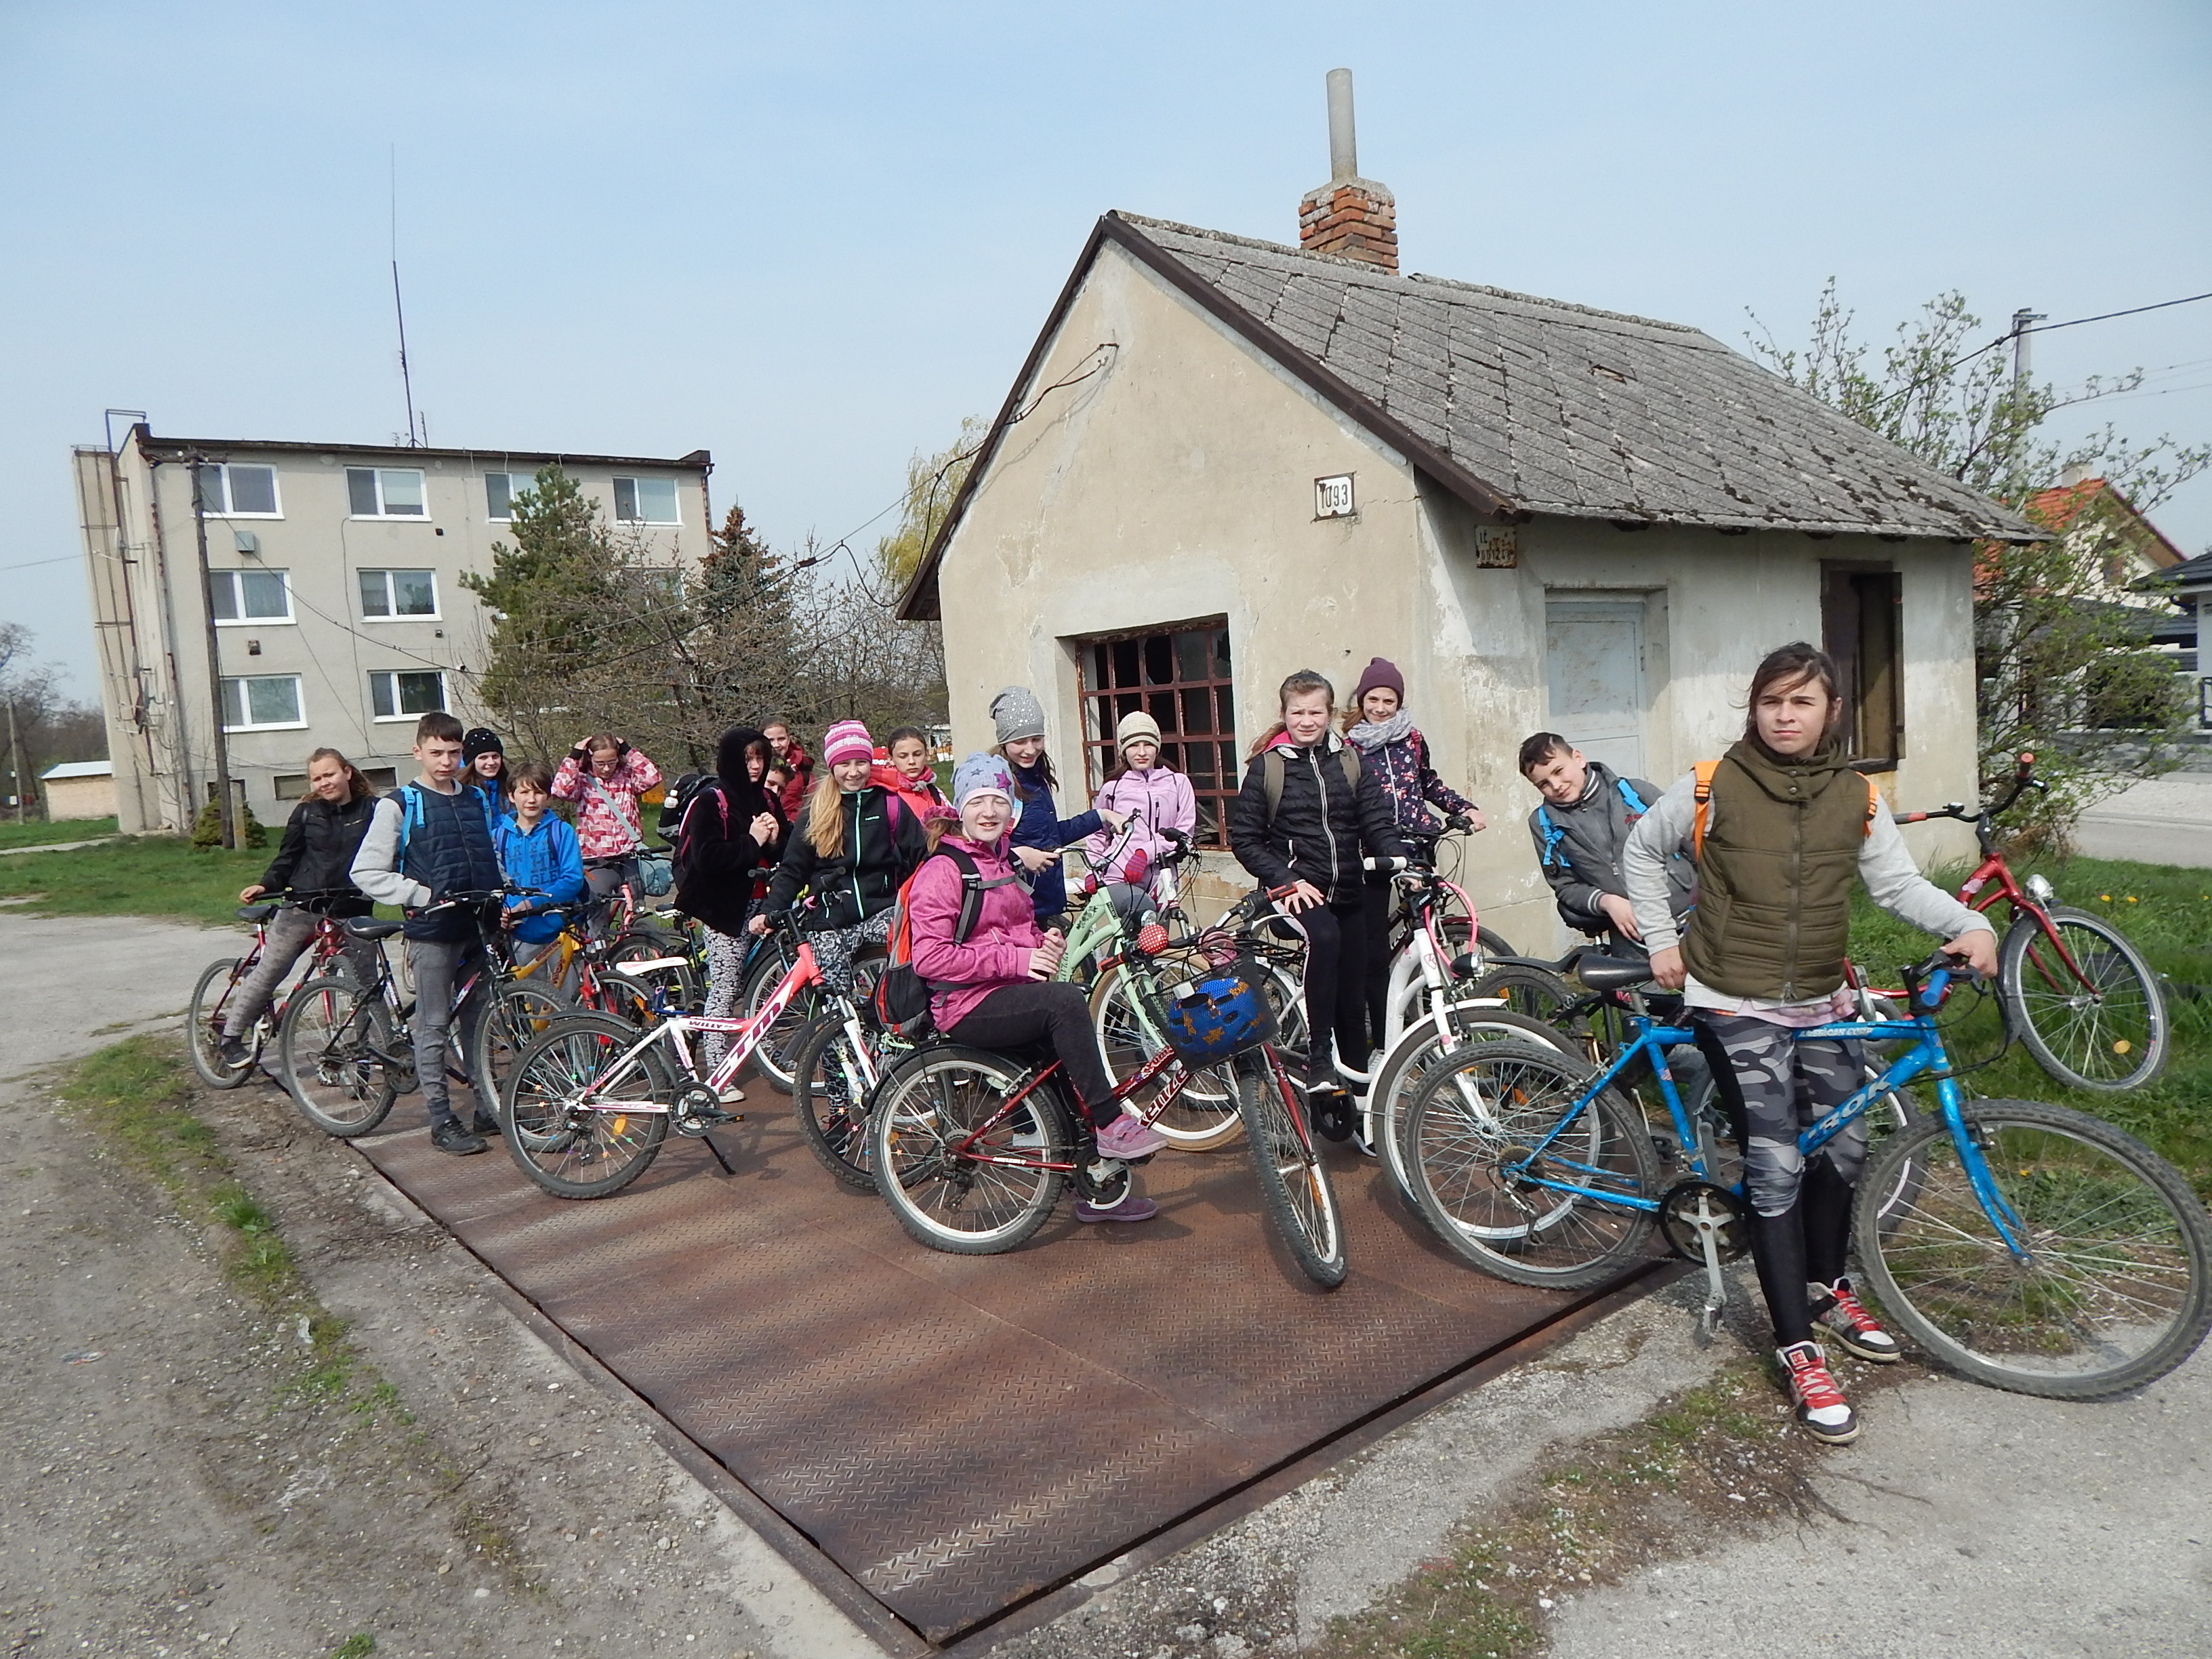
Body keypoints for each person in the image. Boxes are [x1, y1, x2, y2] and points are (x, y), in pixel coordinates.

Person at [1624, 641, 1998, 1444]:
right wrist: (1661, 941)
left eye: (1802, 702)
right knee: (1777, 1164)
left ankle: (1828, 1289)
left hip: (1823, 997)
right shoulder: (1709, 785)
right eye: (1772, 702)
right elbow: (1642, 853)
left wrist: (1969, 922)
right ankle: (1797, 1346)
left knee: (1847, 1150)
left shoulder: (1857, 795)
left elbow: (1895, 885)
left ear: (1832, 711)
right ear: (1754, 709)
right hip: (1733, 998)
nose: (1785, 716)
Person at [909, 754, 1168, 1218]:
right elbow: (930, 958)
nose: (989, 812)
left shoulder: (999, 859)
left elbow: (1012, 928)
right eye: (977, 802)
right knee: (1065, 1003)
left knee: (1069, 1075)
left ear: (1011, 809)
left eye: (998, 801)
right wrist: (1018, 958)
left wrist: (1041, 942)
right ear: (960, 809)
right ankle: (1111, 1122)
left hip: (1003, 992)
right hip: (962, 1004)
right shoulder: (943, 870)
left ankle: (1096, 1188)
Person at [1229, 670, 1409, 1141]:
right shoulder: (1267, 768)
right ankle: (1319, 1056)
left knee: (1354, 995)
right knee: (1324, 937)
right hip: (1295, 896)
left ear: (1330, 714)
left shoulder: (1349, 760)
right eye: (1298, 712)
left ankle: (1359, 1107)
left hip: (1348, 889)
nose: (1307, 720)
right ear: (1284, 714)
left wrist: (1398, 858)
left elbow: (1375, 819)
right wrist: (1286, 881)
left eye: (1316, 712)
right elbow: (1244, 839)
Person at [351, 710, 508, 1156]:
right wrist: (419, 895)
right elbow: (366, 871)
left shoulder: (475, 799)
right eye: (436, 753)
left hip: (478, 925)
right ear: (417, 752)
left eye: (454, 753)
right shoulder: (400, 804)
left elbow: (489, 856)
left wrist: (500, 896)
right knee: (434, 1025)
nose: (446, 762)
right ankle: (441, 1118)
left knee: (479, 1023)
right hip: (433, 930)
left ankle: (487, 1106)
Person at [1342, 657, 1483, 1049]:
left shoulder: (1413, 739)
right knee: (1374, 948)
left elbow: (1428, 783)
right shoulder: (1348, 747)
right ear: (1362, 700)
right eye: (1373, 699)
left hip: (1417, 844)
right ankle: (1383, 1037)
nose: (1380, 708)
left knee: (1426, 937)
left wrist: (1463, 808)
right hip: (1371, 851)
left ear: (1399, 702)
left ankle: (1429, 1020)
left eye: (1388, 700)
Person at [219, 747, 379, 1065]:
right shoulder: (307, 813)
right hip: (304, 905)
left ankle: (363, 1047)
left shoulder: (374, 810)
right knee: (272, 970)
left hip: (352, 906)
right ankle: (231, 1037)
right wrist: (266, 885)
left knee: (366, 982)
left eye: (329, 774)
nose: (324, 783)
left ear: (347, 772)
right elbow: (287, 858)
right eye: (317, 778)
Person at [753, 719, 928, 1002]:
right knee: (835, 1000)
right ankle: (837, 1027)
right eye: (845, 764)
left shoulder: (889, 804)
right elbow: (793, 868)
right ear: (832, 766)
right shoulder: (815, 812)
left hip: (880, 909)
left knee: (919, 953)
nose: (853, 772)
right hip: (829, 919)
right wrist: (769, 911)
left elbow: (921, 857)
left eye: (861, 763)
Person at [675, 725, 785, 1090]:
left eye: (760, 758)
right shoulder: (711, 801)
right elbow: (707, 858)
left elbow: (783, 853)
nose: (755, 766)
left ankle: (769, 1054)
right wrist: (752, 841)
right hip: (725, 908)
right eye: (747, 758)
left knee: (767, 986)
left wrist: (774, 840)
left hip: (764, 904)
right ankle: (717, 1073)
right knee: (725, 987)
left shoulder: (767, 799)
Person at [1519, 733, 1694, 952]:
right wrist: (1607, 901)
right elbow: (1566, 887)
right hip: (1632, 933)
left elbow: (1694, 844)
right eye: (1543, 783)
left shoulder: (1636, 793)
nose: (1556, 785)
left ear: (1578, 758)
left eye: (1559, 771)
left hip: (1692, 917)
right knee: (1644, 978)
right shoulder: (1543, 824)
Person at [989, 685, 1128, 927]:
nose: (1030, 749)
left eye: (1036, 739)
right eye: (1020, 741)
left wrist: (1102, 815)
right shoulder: (999, 784)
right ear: (1004, 741)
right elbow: (981, 849)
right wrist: (1017, 856)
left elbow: (1050, 837)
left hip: (1045, 903)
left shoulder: (1036, 778)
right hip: (1017, 910)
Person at [1082, 710, 1195, 898]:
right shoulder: (1112, 787)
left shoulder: (1178, 783)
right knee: (1130, 914)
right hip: (1118, 876)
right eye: (1133, 745)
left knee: (1160, 919)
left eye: (1148, 744)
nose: (1142, 753)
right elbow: (1097, 833)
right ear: (1124, 750)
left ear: (1157, 748)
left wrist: (1145, 853)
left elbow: (1184, 832)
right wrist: (1092, 870)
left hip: (1163, 877)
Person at [552, 731, 663, 921]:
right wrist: (574, 756)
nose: (606, 768)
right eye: (600, 763)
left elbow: (652, 777)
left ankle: (636, 938)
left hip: (628, 856)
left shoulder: (627, 777)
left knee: (637, 912)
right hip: (596, 861)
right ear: (590, 759)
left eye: (611, 762)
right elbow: (560, 790)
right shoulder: (582, 780)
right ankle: (599, 939)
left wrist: (628, 750)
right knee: (598, 914)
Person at [491, 762, 586, 977]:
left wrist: (532, 903)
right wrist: (504, 912)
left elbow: (572, 879)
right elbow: (495, 882)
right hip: (520, 932)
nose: (532, 799)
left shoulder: (561, 831)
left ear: (548, 796)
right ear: (511, 796)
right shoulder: (498, 837)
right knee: (532, 995)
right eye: (524, 792)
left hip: (560, 929)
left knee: (569, 993)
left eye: (538, 792)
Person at [871, 725, 955, 826]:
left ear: (926, 755)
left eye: (917, 754)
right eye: (903, 756)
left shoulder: (935, 794)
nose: (911, 761)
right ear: (891, 759)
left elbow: (952, 828)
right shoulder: (884, 796)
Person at [762, 720, 814, 822]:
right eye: (770, 740)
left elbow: (815, 803)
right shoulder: (753, 768)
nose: (776, 745)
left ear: (789, 739)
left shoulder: (803, 769)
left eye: (781, 739)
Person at [463, 727, 510, 820]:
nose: (491, 762)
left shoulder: (510, 786)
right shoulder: (461, 792)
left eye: (495, 757)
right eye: (484, 758)